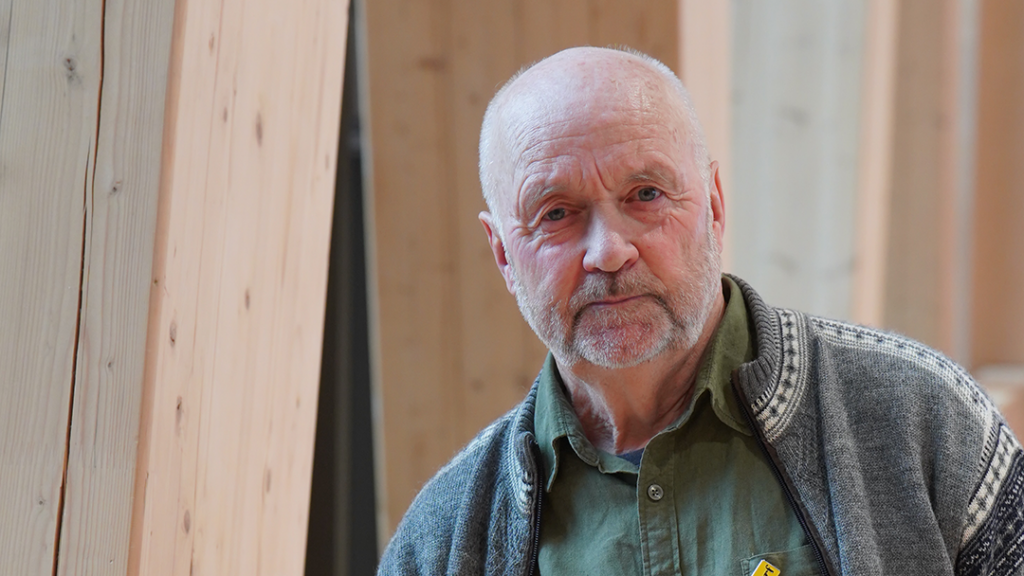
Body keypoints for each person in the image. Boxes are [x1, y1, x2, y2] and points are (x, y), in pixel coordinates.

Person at [377, 46, 1024, 576]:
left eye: (646, 194)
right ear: (501, 253)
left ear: (713, 204)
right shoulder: (442, 540)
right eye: (556, 214)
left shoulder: (919, 421)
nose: (609, 251)